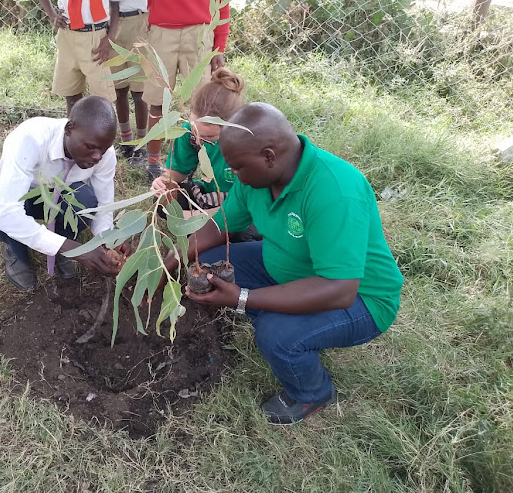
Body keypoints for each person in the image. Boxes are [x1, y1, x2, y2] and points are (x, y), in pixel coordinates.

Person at [165, 103, 404, 424]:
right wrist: (173, 258)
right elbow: (219, 224)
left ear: (268, 156)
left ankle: (313, 392)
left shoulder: (334, 192)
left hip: (361, 298)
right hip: (292, 267)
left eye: (237, 168)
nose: (232, 174)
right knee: (209, 261)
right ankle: (287, 313)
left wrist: (241, 298)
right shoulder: (256, 181)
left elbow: (339, 290)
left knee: (275, 334)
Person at [0, 96, 126, 290]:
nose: (98, 156)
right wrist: (76, 250)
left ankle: (60, 244)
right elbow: (6, 213)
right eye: (90, 147)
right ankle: (15, 249)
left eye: (104, 149)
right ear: (69, 129)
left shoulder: (103, 153)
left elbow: (104, 206)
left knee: (86, 201)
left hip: (62, 194)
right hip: (26, 194)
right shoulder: (31, 138)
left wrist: (107, 241)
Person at [141, 0, 230, 182]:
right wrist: (155, 5)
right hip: (161, 30)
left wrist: (219, 43)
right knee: (157, 100)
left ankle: (202, 165)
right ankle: (153, 162)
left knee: (201, 106)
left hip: (199, 32)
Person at [37, 0, 127, 116]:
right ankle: (74, 140)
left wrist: (109, 38)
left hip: (96, 38)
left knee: (103, 100)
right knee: (71, 96)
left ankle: (103, 144)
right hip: (68, 36)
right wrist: (53, 16)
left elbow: (115, 3)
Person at [151, 68, 243, 211]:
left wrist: (204, 220)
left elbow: (250, 202)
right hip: (211, 194)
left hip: (242, 205)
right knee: (163, 200)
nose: (199, 140)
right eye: (195, 132)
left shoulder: (247, 144)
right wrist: (163, 182)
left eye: (209, 137)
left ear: (232, 126)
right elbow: (178, 171)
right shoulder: (187, 131)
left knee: (245, 233)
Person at [102, 0, 149, 165]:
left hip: (138, 23)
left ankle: (142, 143)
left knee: (140, 90)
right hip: (113, 22)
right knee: (119, 86)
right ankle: (127, 139)